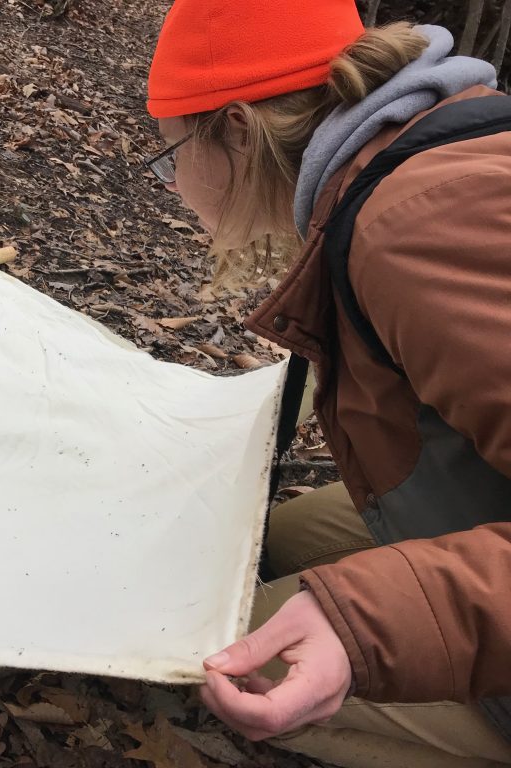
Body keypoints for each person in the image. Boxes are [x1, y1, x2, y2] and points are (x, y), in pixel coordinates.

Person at [144, 1, 511, 766]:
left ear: (239, 130)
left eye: (170, 155)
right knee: (279, 540)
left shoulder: (417, 224)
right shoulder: (416, 156)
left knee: (212, 661)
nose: (174, 185)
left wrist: (366, 627)